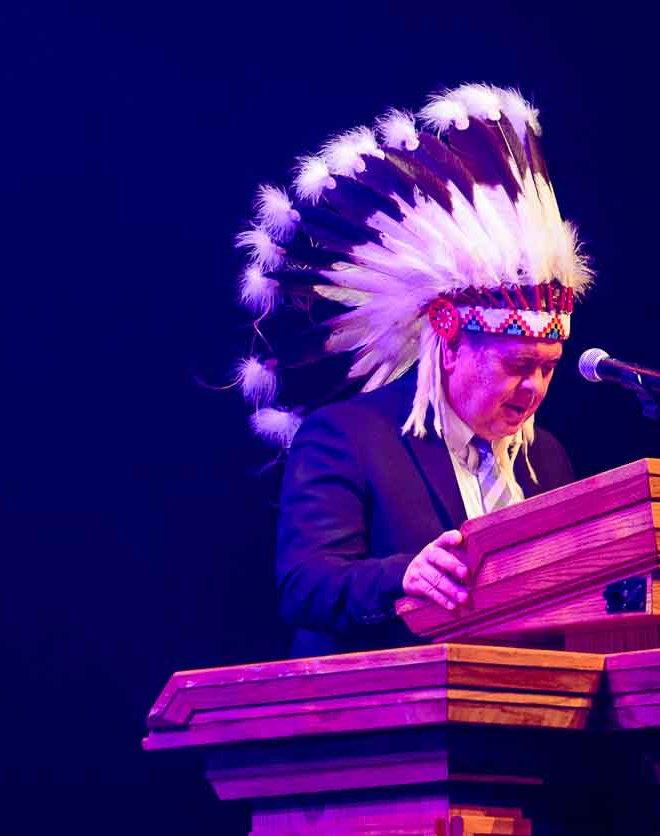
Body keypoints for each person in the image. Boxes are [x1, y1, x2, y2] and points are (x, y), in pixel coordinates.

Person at [223, 83, 593, 656]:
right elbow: (305, 587)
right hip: (377, 720)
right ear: (448, 340)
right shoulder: (347, 437)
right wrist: (402, 576)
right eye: (518, 365)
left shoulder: (546, 457)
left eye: (548, 368)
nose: (534, 389)